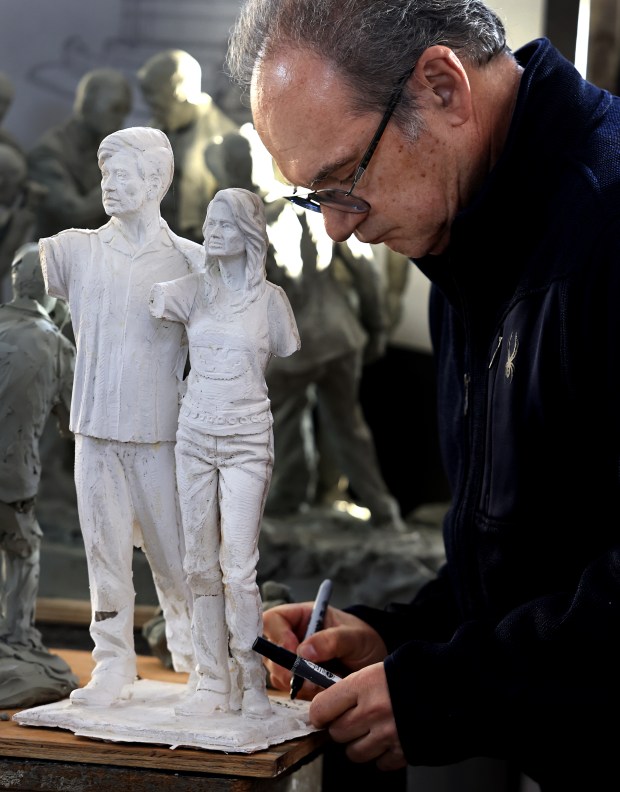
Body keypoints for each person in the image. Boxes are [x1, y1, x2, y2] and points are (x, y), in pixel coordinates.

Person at [226, 1, 620, 789]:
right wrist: (394, 642)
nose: (336, 229)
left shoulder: (605, 220)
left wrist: (445, 692)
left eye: (343, 180)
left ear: (443, 86)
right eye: (315, 197)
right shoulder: (465, 235)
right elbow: (530, 557)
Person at [39, 126, 204, 707]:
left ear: (157, 181)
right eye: (105, 175)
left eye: (123, 176)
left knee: (176, 553)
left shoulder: (192, 262)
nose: (108, 186)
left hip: (159, 434)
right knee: (103, 553)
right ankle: (112, 662)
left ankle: (203, 658)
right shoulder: (72, 250)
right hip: (93, 431)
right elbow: (27, 292)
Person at [149, 187, 300, 718]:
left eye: (223, 225)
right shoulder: (190, 291)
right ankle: (212, 678)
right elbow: (139, 291)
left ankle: (251, 678)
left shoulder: (271, 302)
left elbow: (285, 346)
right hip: (194, 436)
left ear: (249, 234)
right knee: (198, 565)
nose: (211, 232)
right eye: (208, 223)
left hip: (246, 440)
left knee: (238, 569)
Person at [0, 242, 78, 707]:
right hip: (12, 480)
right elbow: (74, 423)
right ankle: (17, 637)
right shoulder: (53, 343)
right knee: (22, 551)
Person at [137, 49, 238, 243]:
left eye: (159, 105)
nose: (153, 111)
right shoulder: (152, 132)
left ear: (180, 91)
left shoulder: (227, 141)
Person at [27, 68, 132, 239]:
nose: (121, 119)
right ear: (87, 103)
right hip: (56, 258)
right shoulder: (49, 152)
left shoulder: (108, 150)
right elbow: (72, 212)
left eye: (125, 111)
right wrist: (122, 179)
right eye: (115, 108)